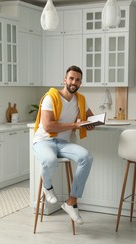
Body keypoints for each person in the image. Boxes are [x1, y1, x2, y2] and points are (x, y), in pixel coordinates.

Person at [32, 65, 94, 225]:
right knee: (50, 160)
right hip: (43, 141)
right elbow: (48, 126)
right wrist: (75, 125)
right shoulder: (50, 97)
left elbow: (90, 117)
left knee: (86, 157)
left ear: (81, 83)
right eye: (71, 78)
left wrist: (92, 123)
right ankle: (47, 187)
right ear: (65, 79)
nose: (74, 82)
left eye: (78, 79)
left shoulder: (80, 100)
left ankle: (71, 203)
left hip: (62, 143)